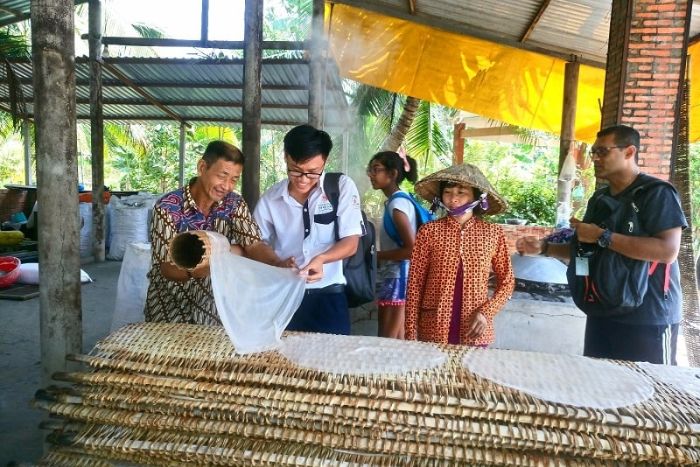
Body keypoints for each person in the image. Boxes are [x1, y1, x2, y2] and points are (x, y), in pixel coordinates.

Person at [516, 125, 687, 365]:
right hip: (603, 308)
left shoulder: (657, 194)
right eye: (593, 152)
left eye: (603, 152)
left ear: (629, 152)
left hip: (648, 316)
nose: (595, 158)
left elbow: (667, 251)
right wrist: (545, 249)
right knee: (599, 387)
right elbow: (588, 249)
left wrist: (602, 236)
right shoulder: (600, 198)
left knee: (650, 393)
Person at [144, 140, 281, 325]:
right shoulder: (168, 208)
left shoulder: (234, 204)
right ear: (202, 167)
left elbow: (253, 244)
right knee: (164, 354)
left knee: (211, 352)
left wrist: (278, 263)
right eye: (222, 176)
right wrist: (209, 265)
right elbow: (167, 269)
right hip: (169, 304)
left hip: (212, 307)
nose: (226, 186)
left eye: (233, 179)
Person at [253, 124, 364, 335]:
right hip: (285, 296)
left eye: (313, 172)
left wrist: (322, 259)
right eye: (295, 170)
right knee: (284, 363)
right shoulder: (271, 200)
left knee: (331, 362)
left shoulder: (340, 188)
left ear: (325, 161)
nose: (303, 179)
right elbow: (256, 242)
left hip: (329, 296)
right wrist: (278, 262)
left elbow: (351, 243)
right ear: (285, 157)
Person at [405, 164, 514, 346]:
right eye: (447, 192)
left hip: (475, 329)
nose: (453, 198)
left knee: (470, 375)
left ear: (477, 198)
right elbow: (415, 284)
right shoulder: (429, 232)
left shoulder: (493, 233)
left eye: (461, 192)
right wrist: (410, 333)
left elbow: (507, 281)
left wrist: (486, 312)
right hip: (434, 327)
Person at [366, 150, 420, 339]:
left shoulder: (397, 205)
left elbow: (412, 250)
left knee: (388, 338)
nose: (371, 174)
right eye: (370, 170)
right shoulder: (398, 201)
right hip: (395, 275)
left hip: (398, 277)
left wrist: (377, 256)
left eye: (376, 169)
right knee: (396, 337)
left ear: (393, 174)